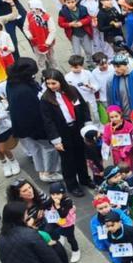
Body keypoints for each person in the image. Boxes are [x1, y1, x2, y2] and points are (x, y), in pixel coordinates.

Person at [40, 69, 92, 197]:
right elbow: (48, 122)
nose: (51, 86)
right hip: (62, 132)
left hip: (77, 128)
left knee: (81, 155)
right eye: (48, 83)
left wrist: (87, 123)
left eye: (54, 83)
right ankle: (72, 185)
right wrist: (56, 140)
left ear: (60, 81)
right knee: (68, 161)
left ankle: (85, 179)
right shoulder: (46, 99)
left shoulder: (72, 90)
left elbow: (83, 106)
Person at [7, 58, 62, 182]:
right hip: (35, 126)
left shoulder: (12, 82)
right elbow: (33, 112)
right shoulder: (24, 90)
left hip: (22, 127)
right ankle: (49, 172)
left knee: (35, 149)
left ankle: (41, 170)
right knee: (49, 148)